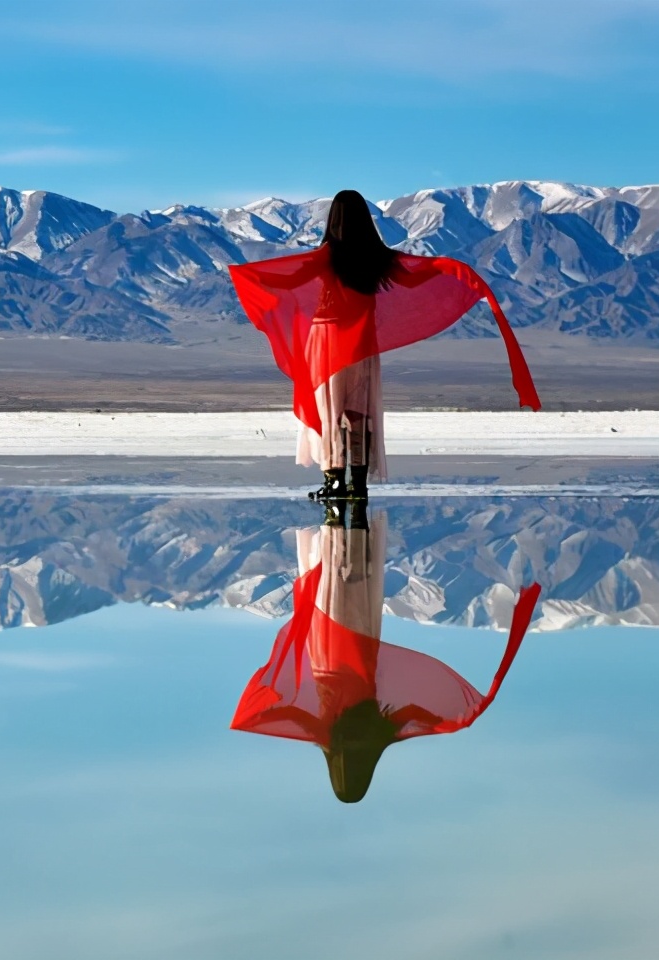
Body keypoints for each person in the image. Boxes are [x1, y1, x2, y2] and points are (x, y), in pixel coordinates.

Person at [229, 190, 541, 501]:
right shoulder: (379, 257)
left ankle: (334, 481)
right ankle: (358, 484)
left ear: (333, 219)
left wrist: (247, 277)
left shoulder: (327, 255)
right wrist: (452, 269)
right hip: (362, 345)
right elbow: (414, 278)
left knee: (331, 414)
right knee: (359, 413)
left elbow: (288, 281)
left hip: (326, 343)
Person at [230, 507, 540, 802]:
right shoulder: (326, 736)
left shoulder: (382, 733)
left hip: (364, 648)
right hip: (326, 655)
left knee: (359, 586)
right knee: (330, 587)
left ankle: (356, 517)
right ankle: (333, 515)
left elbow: (416, 714)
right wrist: (263, 701)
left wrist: (453, 720)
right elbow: (286, 713)